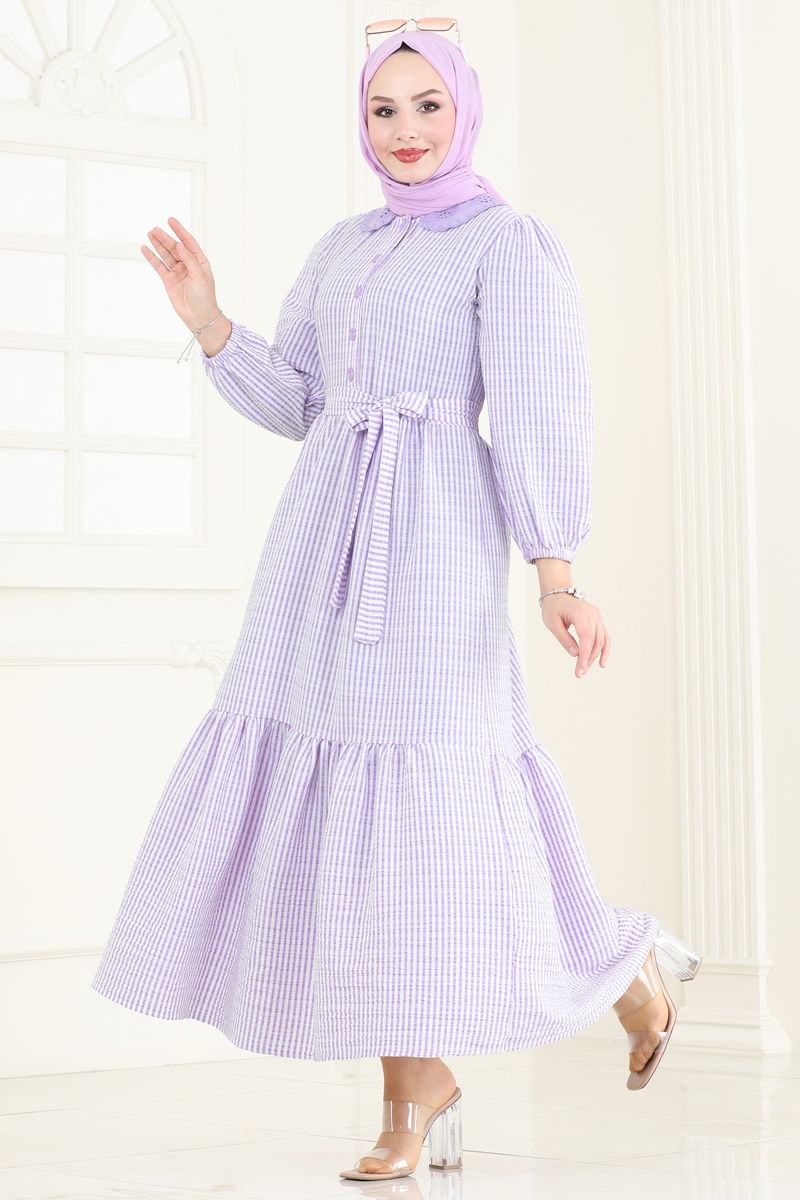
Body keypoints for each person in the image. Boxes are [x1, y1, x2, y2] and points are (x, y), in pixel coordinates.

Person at [90, 24, 702, 1183]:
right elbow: (304, 402)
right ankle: (423, 1092)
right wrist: (209, 321)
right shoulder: (345, 246)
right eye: (383, 110)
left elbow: (536, 406)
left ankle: (604, 978)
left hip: (432, 554)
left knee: (421, 821)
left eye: (427, 105)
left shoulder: (506, 243)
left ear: (463, 111)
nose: (406, 130)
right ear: (361, 125)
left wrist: (555, 573)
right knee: (358, 829)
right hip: (319, 555)